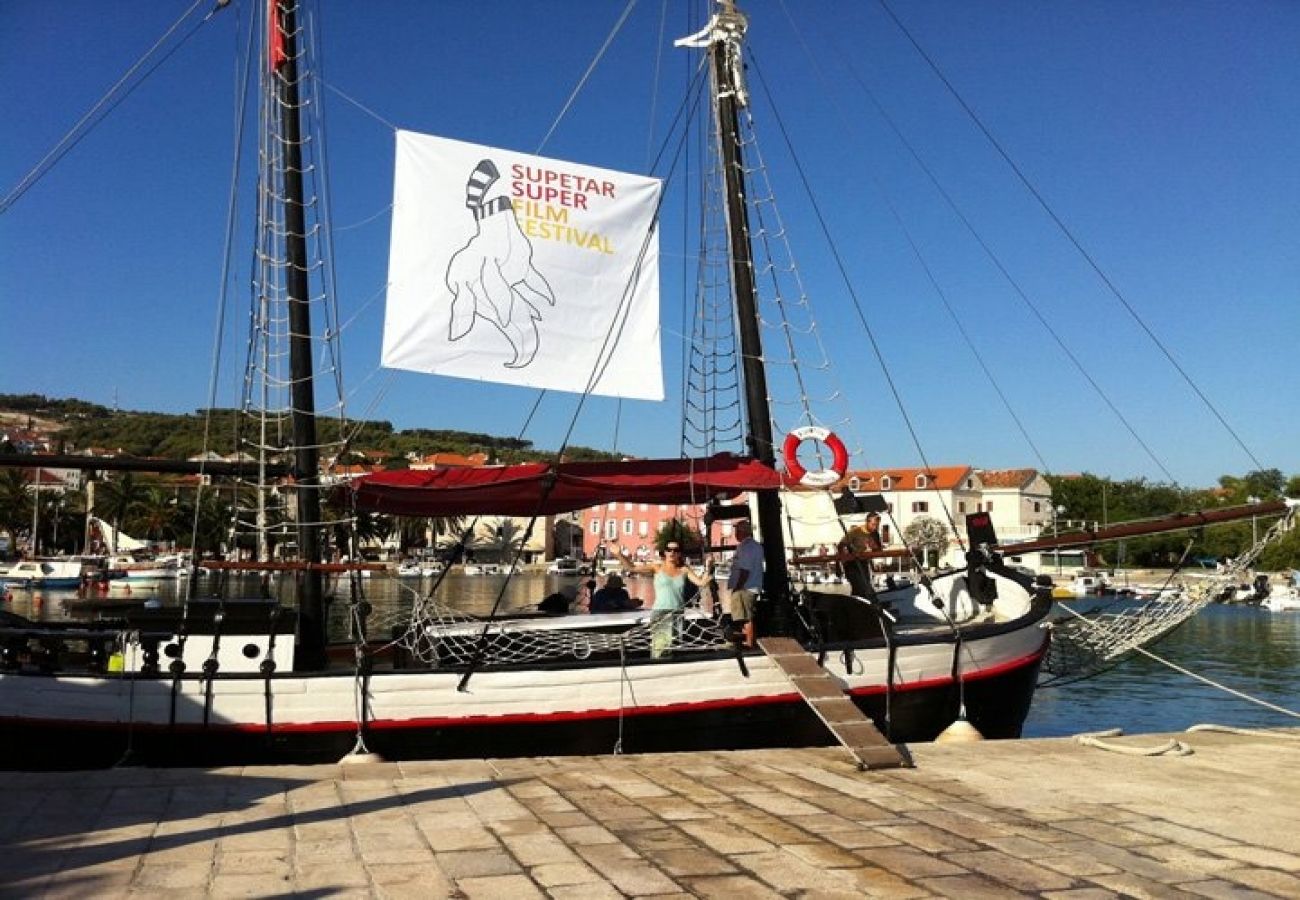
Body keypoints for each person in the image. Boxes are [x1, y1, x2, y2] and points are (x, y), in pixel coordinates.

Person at [610, 538, 712, 658]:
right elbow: (631, 568)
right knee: (660, 648)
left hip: (677, 614)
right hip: (661, 613)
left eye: (676, 550)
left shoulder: (684, 569)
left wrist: (708, 566)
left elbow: (701, 583)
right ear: (665, 552)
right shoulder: (656, 567)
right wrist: (619, 554)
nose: (672, 553)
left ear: (679, 553)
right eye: (669, 550)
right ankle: (657, 666)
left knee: (674, 647)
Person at [727, 521, 764, 648]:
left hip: (745, 587)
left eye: (737, 530)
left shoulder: (745, 547)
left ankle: (749, 643)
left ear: (743, 532)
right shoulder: (757, 546)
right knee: (746, 614)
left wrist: (738, 586)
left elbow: (745, 569)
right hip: (754, 585)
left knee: (745, 617)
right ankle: (747, 640)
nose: (736, 533)